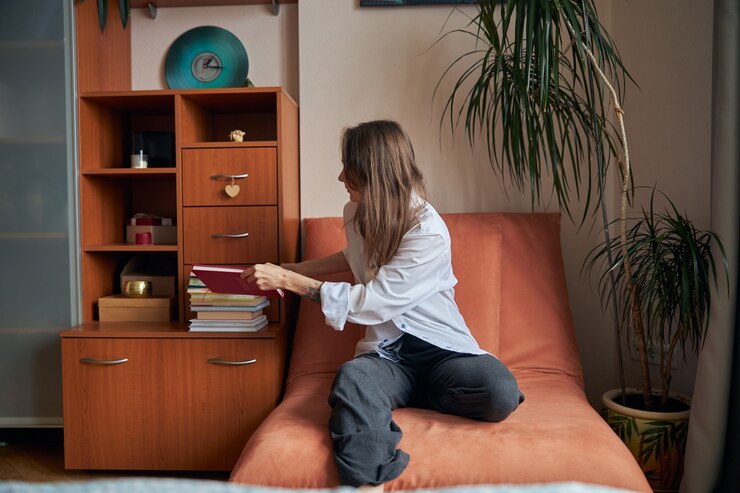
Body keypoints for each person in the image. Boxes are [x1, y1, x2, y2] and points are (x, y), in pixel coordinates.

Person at [241, 119, 524, 488]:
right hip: (389, 356)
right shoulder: (356, 213)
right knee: (353, 378)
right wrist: (291, 267)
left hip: (442, 354)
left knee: (499, 391)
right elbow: (351, 258)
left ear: (373, 172)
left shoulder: (426, 230)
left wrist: (288, 281)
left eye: (350, 169)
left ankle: (417, 392)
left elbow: (374, 303)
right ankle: (370, 479)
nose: (341, 177)